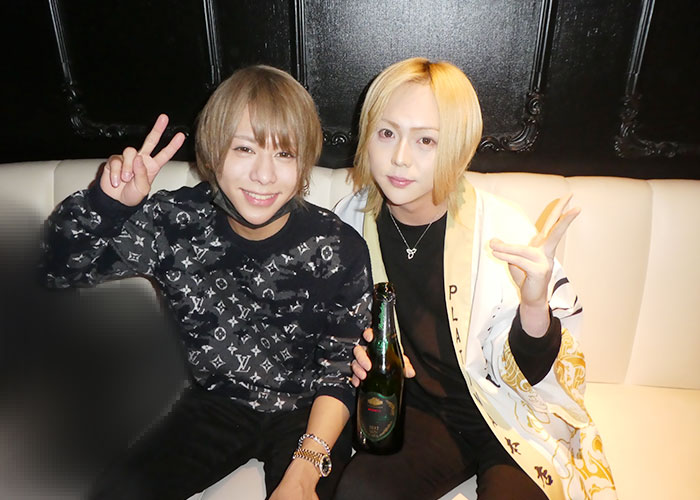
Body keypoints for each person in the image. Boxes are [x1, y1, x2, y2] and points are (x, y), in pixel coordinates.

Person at [41, 65, 372, 500]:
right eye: (245, 148)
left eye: (284, 154)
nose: (264, 175)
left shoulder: (338, 246)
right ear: (215, 152)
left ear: (304, 161)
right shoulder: (175, 221)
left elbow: (339, 372)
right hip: (217, 403)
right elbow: (57, 270)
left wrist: (305, 470)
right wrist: (106, 206)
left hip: (309, 411)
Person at [333, 58, 616, 499]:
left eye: (426, 140)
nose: (400, 158)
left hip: (507, 409)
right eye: (386, 133)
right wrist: (355, 355)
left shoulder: (502, 230)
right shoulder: (350, 222)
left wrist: (534, 305)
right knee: (358, 491)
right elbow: (330, 331)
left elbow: (537, 374)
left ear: (458, 148)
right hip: (421, 414)